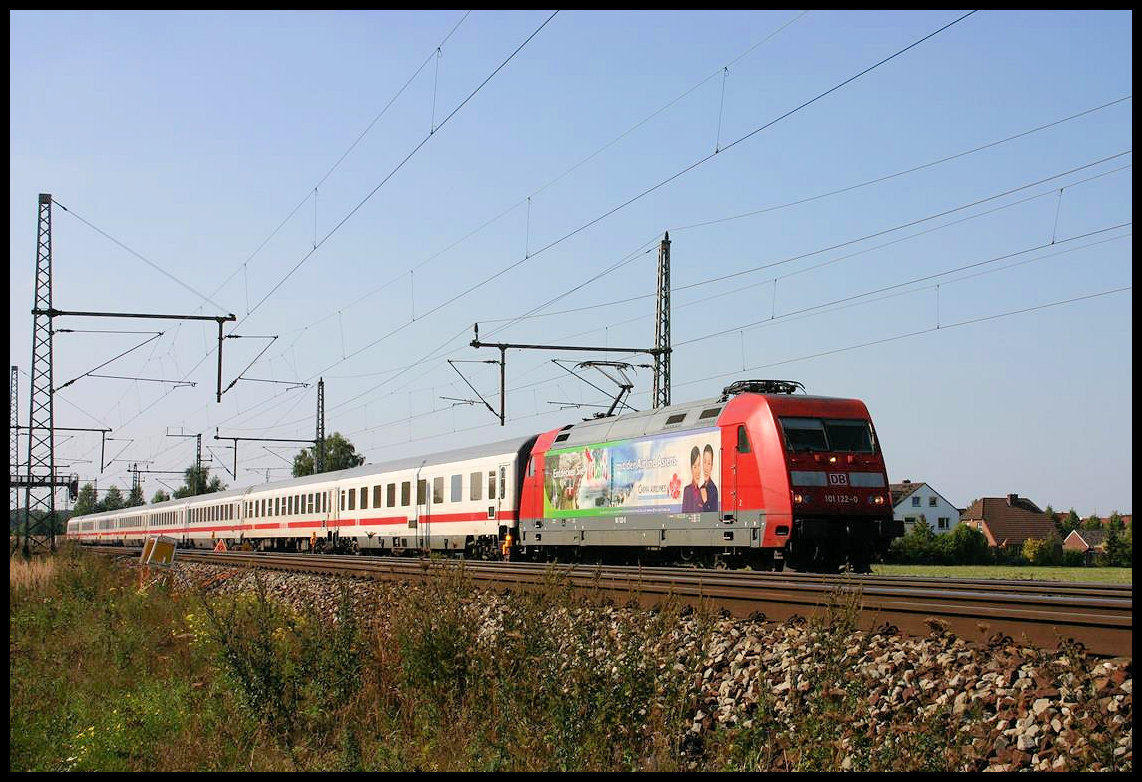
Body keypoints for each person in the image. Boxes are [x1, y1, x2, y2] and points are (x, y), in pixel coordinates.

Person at [681, 446, 703, 513]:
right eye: (695, 467)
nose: (697, 471)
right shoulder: (687, 490)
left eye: (699, 465)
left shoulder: (702, 491)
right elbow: (684, 513)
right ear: (691, 469)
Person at [700, 443, 719, 512]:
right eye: (704, 462)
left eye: (709, 463)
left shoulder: (713, 489)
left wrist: (705, 501)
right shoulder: (701, 487)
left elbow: (713, 517)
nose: (706, 467)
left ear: (712, 466)